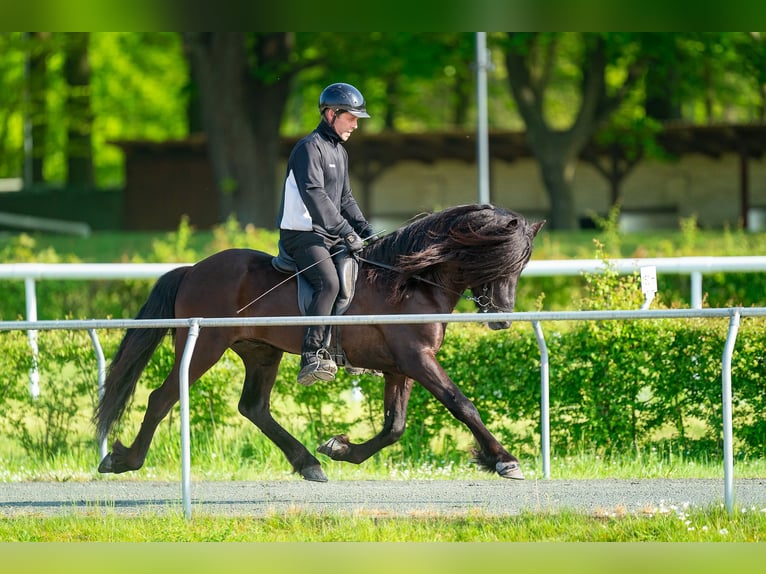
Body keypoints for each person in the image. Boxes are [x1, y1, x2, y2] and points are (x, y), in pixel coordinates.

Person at [276, 82, 377, 386]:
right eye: (352, 117)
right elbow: (315, 196)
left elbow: (345, 198)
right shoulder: (308, 148)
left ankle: (351, 351)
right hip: (302, 236)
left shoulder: (339, 151)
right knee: (330, 282)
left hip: (329, 234)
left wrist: (366, 232)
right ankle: (312, 355)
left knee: (363, 273)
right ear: (331, 114)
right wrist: (347, 233)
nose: (356, 125)